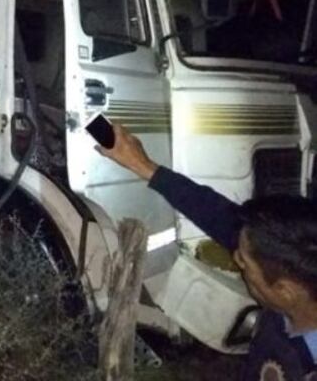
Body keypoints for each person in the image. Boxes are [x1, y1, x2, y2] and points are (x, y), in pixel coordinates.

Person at [96, 122, 317, 381]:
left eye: (244, 262)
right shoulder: (296, 274)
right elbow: (218, 214)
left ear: (285, 291)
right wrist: (144, 165)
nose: (235, 258)